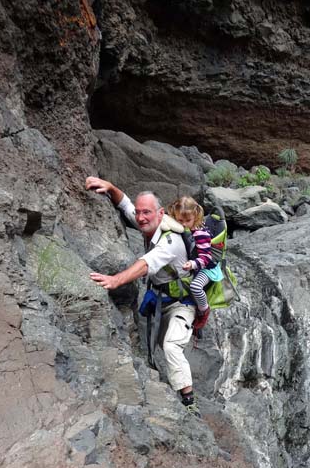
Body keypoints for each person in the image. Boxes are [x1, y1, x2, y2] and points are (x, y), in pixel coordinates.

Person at [85, 176, 200, 416]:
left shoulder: (170, 239)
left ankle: (190, 403)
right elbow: (126, 206)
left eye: (146, 212)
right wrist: (110, 188)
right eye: (139, 213)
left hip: (182, 303)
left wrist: (115, 280)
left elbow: (146, 264)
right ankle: (163, 379)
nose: (140, 218)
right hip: (160, 298)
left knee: (170, 346)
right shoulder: (149, 225)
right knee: (156, 345)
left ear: (160, 214)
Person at [167, 196, 224, 333]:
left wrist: (193, 264)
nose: (184, 224)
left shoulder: (200, 234)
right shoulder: (184, 229)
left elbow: (206, 258)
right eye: (180, 220)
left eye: (188, 221)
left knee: (195, 286)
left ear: (196, 217)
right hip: (199, 265)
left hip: (208, 269)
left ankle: (204, 310)